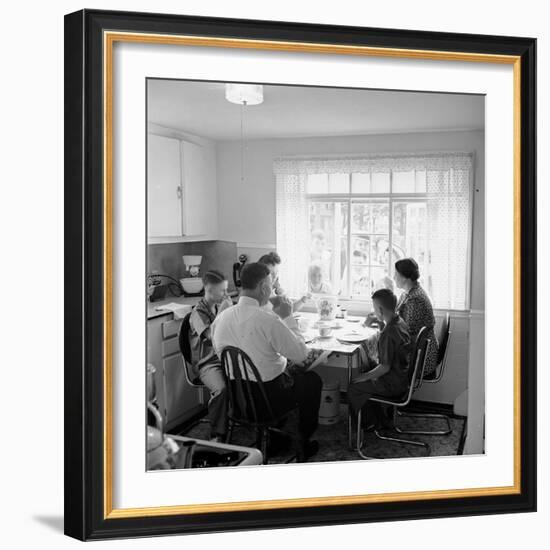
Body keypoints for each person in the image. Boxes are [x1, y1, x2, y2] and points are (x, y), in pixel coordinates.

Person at [211, 262, 323, 460]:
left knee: (282, 375)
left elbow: (221, 352)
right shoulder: (267, 320)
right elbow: (300, 354)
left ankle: (275, 440)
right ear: (263, 287)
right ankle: (302, 443)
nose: (271, 289)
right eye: (271, 285)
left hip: (237, 398)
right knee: (311, 380)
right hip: (268, 400)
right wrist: (288, 318)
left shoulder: (221, 319)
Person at [347, 288, 412, 429]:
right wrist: (381, 323)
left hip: (392, 384)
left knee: (354, 386)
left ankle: (366, 424)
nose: (374, 311)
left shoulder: (388, 334)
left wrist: (365, 377)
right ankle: (377, 417)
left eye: (375, 309)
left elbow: (384, 367)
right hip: (401, 377)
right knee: (369, 366)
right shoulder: (400, 322)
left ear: (381, 310)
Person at [188, 270, 233, 441]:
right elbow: (213, 336)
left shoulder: (217, 306)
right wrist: (223, 312)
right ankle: (217, 434)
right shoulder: (198, 313)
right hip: (207, 363)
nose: (226, 294)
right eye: (222, 290)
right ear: (209, 290)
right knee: (221, 389)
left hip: (225, 358)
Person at [394, 258, 439, 377]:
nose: (394, 278)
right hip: (416, 350)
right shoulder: (407, 293)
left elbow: (409, 332)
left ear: (404, 277)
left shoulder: (415, 299)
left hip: (420, 357)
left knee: (378, 358)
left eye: (396, 274)